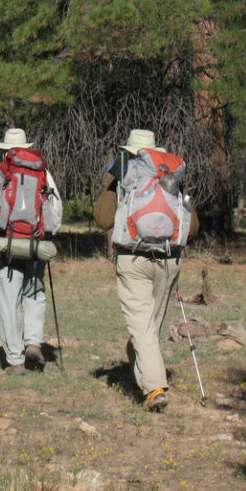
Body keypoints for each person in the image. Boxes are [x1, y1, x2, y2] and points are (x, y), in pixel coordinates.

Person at [93, 128, 198, 410]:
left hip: (133, 258)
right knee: (149, 325)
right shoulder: (171, 175)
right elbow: (194, 225)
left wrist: (112, 186)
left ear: (129, 151)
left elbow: (102, 218)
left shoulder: (123, 173)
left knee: (142, 324)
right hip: (169, 259)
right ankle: (142, 368)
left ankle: (154, 389)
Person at [0, 128, 63, 374]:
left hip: (6, 244)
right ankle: (32, 342)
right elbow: (56, 211)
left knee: (9, 302)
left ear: (4, 150)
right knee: (34, 291)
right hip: (36, 243)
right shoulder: (43, 172)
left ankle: (15, 359)